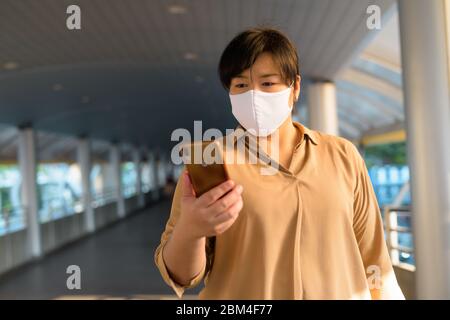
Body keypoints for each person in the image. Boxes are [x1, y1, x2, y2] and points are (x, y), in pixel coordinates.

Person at [154, 27, 404, 300]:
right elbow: (180, 276)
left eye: (268, 83)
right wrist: (191, 230)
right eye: (241, 85)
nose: (253, 95)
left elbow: (374, 258)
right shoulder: (210, 161)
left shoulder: (343, 155)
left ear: (294, 87)